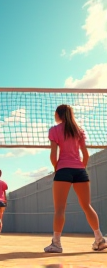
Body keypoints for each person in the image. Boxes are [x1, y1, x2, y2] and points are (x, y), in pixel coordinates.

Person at [44, 104, 107, 253]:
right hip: (80, 171)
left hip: (63, 169)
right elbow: (85, 155)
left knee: (60, 208)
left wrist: (57, 169)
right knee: (87, 206)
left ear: (59, 114)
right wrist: (81, 169)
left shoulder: (54, 130)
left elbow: (53, 156)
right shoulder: (79, 131)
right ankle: (99, 239)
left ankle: (56, 243)